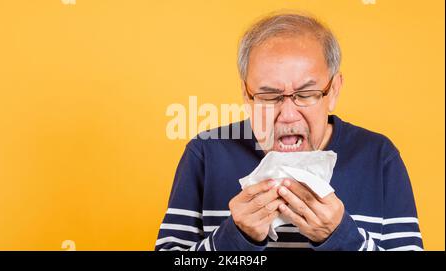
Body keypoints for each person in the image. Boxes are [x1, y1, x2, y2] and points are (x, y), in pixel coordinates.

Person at [155, 13, 423, 251]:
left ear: (334, 91)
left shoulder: (378, 157)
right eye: (269, 96)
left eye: (306, 95)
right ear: (246, 95)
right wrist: (234, 238)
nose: (288, 114)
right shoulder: (206, 152)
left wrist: (341, 238)